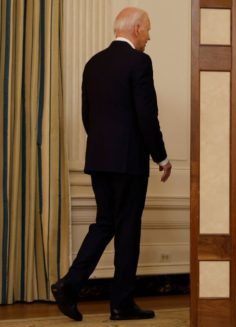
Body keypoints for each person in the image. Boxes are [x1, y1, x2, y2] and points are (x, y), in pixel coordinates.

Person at [51, 7, 172, 321]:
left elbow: (87, 115)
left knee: (105, 223)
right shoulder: (139, 62)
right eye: (147, 29)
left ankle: (70, 285)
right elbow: (147, 115)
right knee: (127, 229)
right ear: (135, 28)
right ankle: (121, 304)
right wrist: (161, 156)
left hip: (99, 159)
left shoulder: (94, 63)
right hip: (128, 161)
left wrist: (105, 148)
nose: (148, 35)